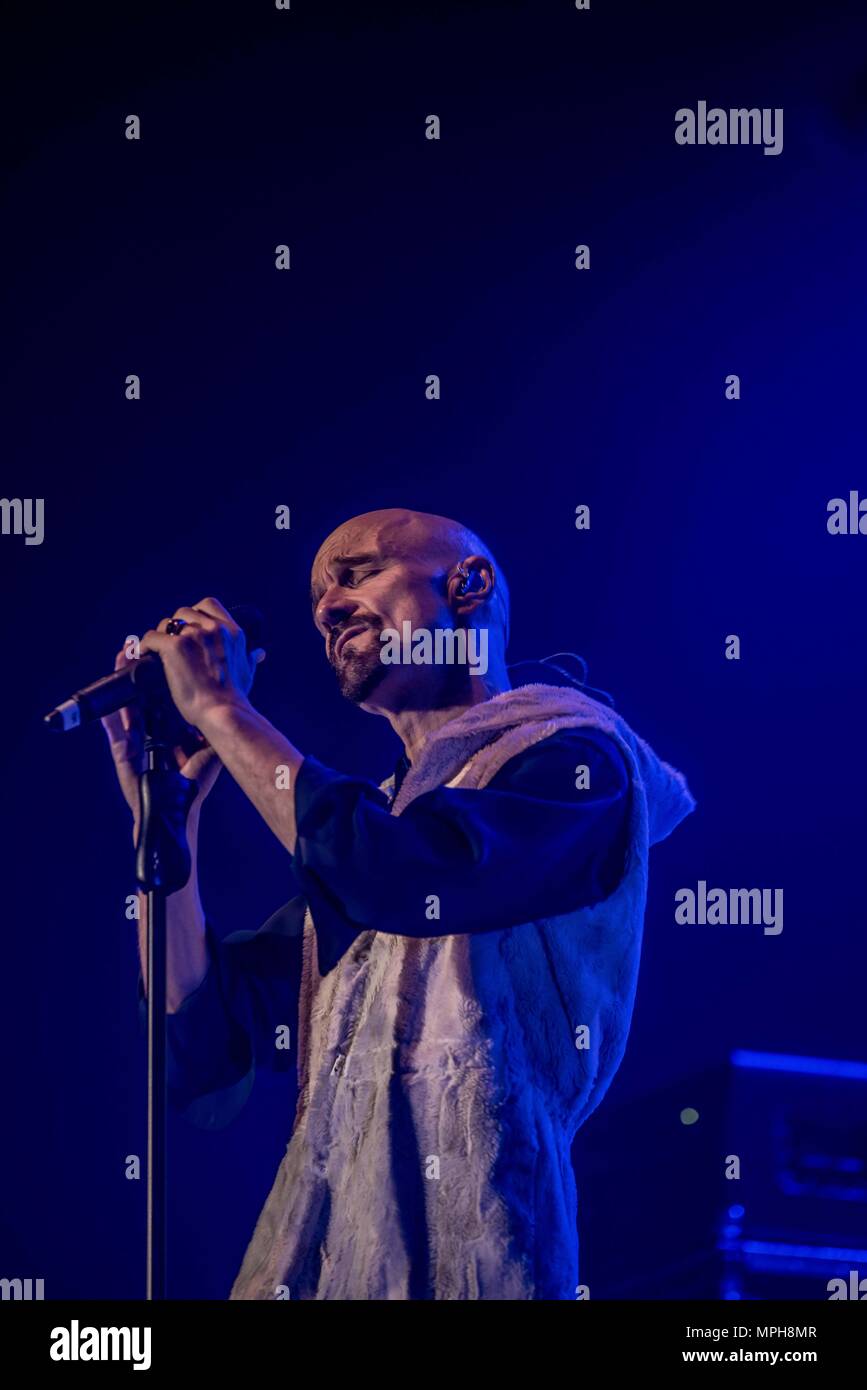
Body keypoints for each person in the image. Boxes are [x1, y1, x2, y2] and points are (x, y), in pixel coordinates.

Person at [101, 507, 694, 1300]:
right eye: (318, 597)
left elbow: (404, 874)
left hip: (480, 1249)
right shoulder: (388, 823)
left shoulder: (578, 762)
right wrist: (165, 819)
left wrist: (225, 711)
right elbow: (206, 1035)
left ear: (467, 582)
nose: (326, 607)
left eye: (356, 573)